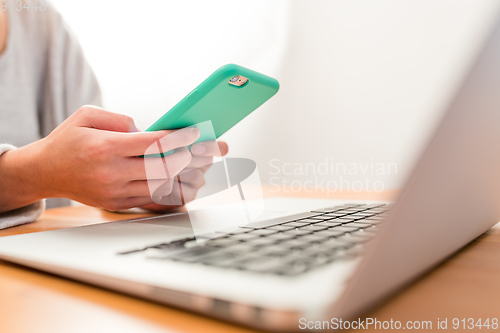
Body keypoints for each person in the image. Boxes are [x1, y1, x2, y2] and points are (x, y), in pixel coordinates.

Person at [0, 5, 228, 229]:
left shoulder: (40, 19)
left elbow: (87, 164)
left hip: (49, 245)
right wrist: (34, 175)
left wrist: (132, 186)